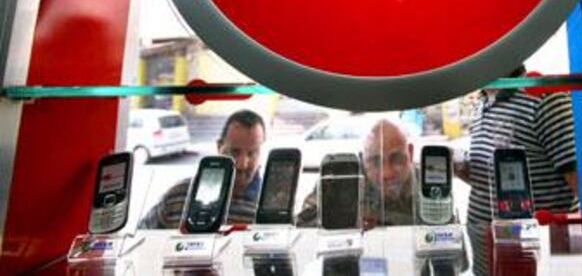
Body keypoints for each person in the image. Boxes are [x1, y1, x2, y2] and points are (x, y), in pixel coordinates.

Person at [457, 65, 579, 276]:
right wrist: (465, 170)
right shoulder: (483, 101)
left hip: (535, 262)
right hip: (490, 260)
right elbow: (499, 182)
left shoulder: (544, 99)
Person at [138, 109, 266, 229]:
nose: (242, 164)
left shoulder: (268, 208)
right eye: (234, 152)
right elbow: (140, 238)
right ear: (219, 147)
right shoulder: (178, 195)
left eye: (252, 153)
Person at [296, 118, 417, 227]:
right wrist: (344, 218)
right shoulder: (341, 180)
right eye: (375, 162)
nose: (386, 173)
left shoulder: (428, 183)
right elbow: (303, 221)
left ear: (410, 154)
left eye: (397, 159)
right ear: (362, 159)